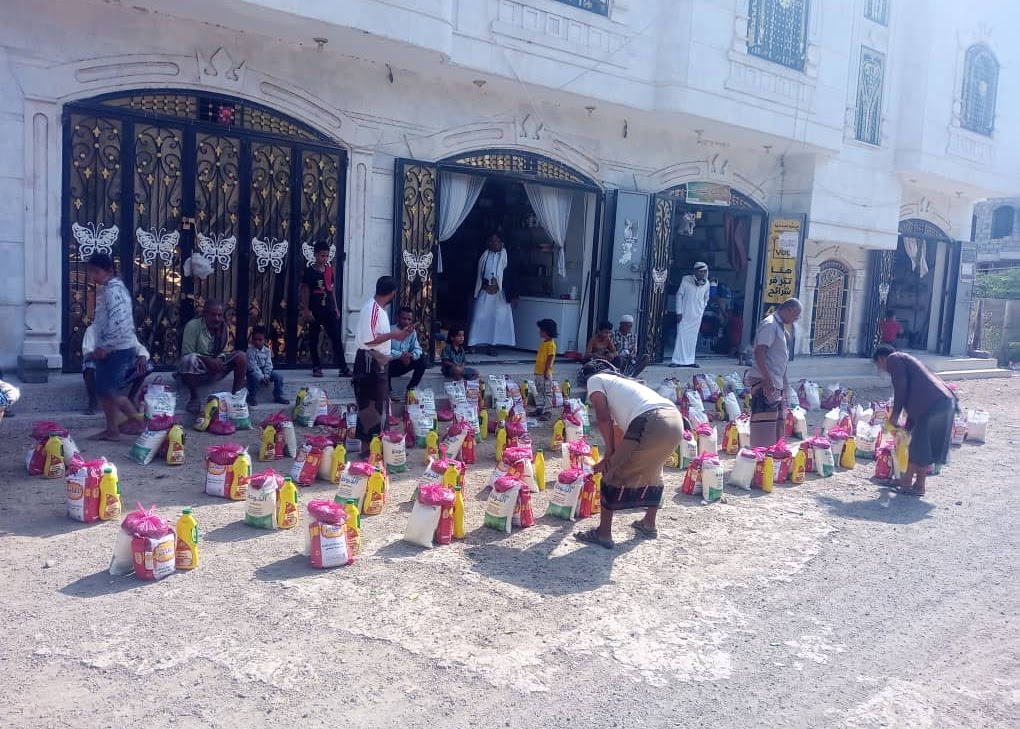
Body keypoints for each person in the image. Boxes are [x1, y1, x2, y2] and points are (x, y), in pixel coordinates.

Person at [574, 361, 685, 549]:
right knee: (654, 471)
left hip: (651, 420)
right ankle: (649, 524)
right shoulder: (623, 387)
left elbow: (603, 417)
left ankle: (604, 533)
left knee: (612, 474)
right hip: (675, 420)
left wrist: (609, 456)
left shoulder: (596, 379)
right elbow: (619, 432)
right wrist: (613, 453)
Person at [872, 344, 956, 496]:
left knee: (920, 444)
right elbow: (914, 393)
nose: (882, 368)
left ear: (881, 358)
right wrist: (907, 426)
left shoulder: (894, 358)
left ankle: (908, 482)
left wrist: (895, 415)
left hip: (932, 404)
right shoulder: (910, 362)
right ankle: (917, 484)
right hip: (945, 402)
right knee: (923, 444)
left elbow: (901, 387)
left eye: (879, 364)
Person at [84, 253, 146, 440]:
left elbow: (120, 322)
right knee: (104, 390)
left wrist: (107, 347)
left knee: (109, 391)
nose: (93, 276)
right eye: (91, 272)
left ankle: (137, 420)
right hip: (113, 346)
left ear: (109, 271)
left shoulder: (114, 291)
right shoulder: (112, 289)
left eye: (97, 272)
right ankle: (112, 430)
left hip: (118, 348)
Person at [354, 276, 412, 454]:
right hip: (370, 361)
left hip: (378, 361)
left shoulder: (379, 309)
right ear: (392, 292)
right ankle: (367, 449)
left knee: (378, 404)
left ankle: (374, 446)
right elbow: (369, 340)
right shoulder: (372, 309)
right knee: (369, 405)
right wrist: (394, 335)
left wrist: (398, 335)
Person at [744, 298, 802, 448]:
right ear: (789, 310)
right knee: (764, 423)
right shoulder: (770, 325)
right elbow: (759, 352)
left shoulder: (779, 325)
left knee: (774, 422)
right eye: (796, 315)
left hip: (775, 379)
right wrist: (767, 378)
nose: (796, 320)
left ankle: (771, 453)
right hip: (765, 380)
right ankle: (760, 453)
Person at [178, 298, 248, 413]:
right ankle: (194, 398)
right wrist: (208, 360)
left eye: (220, 315)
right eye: (213, 315)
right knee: (188, 360)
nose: (217, 319)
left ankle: (235, 397)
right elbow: (187, 353)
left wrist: (219, 359)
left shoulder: (223, 327)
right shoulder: (192, 326)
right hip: (197, 367)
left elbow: (224, 352)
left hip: (216, 365)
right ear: (205, 314)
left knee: (241, 356)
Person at [300, 241, 352, 378]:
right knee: (314, 338)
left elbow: (332, 290)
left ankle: (343, 367)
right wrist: (306, 310)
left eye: (327, 256)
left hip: (328, 308)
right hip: (315, 308)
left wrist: (335, 307)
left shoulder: (329, 270)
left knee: (336, 338)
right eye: (322, 255)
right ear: (315, 255)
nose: (325, 259)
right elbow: (305, 290)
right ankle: (316, 367)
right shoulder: (309, 271)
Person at [81, 324, 152, 415]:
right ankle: (93, 403)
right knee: (88, 364)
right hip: (102, 371)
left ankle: (130, 399)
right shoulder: (93, 329)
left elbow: (139, 347)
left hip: (122, 370)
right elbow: (87, 351)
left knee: (147, 365)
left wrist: (142, 356)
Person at [468, 232, 516, 356]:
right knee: (479, 317)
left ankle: (492, 346)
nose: (492, 243)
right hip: (485, 291)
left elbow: (513, 276)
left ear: (501, 243)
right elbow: (477, 273)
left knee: (496, 320)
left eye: (495, 241)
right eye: (490, 241)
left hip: (500, 294)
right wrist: (485, 285)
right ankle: (473, 344)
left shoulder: (507, 257)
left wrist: (513, 295)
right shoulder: (484, 256)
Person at [670, 262, 711, 368]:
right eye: (700, 271)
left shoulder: (706, 283)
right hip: (684, 313)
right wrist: (678, 312)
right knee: (681, 336)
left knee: (693, 338)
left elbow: (706, 297)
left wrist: (702, 308)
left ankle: (689, 360)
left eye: (703, 272)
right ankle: (677, 360)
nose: (701, 274)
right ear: (695, 271)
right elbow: (679, 295)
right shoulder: (686, 280)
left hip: (697, 315)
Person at [388, 306, 427, 399]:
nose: (406, 321)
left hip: (405, 362)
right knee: (383, 361)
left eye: (409, 319)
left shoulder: (412, 332)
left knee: (422, 360)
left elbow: (418, 349)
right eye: (404, 318)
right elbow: (385, 350)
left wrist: (411, 356)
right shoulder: (389, 330)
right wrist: (401, 355)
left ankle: (410, 389)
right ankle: (388, 390)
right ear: (398, 318)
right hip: (392, 364)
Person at [246, 326, 288, 406]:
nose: (257, 342)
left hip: (266, 372)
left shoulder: (267, 351)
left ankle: (278, 395)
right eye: (254, 339)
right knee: (256, 377)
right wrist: (262, 377)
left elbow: (269, 364)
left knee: (278, 376)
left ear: (265, 340)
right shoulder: (250, 352)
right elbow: (253, 366)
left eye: (260, 340)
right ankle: (252, 396)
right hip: (254, 372)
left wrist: (266, 376)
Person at [531, 318, 558, 421]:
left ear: (546, 331)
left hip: (544, 373)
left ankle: (547, 411)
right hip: (539, 372)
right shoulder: (544, 343)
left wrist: (546, 371)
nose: (539, 332)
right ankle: (539, 408)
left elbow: (550, 358)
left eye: (541, 330)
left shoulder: (551, 344)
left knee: (547, 392)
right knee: (539, 391)